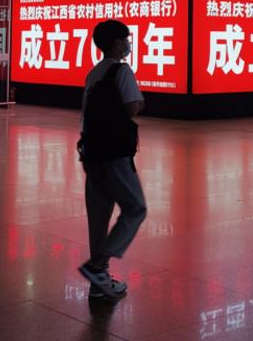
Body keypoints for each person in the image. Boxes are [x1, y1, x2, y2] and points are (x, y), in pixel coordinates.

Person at [77, 20, 147, 299]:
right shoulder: (122, 71)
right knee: (135, 208)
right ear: (117, 43)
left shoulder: (94, 72)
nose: (129, 43)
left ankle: (99, 284)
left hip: (92, 152)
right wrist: (140, 102)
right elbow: (132, 108)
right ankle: (98, 265)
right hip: (115, 154)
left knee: (98, 218)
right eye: (126, 39)